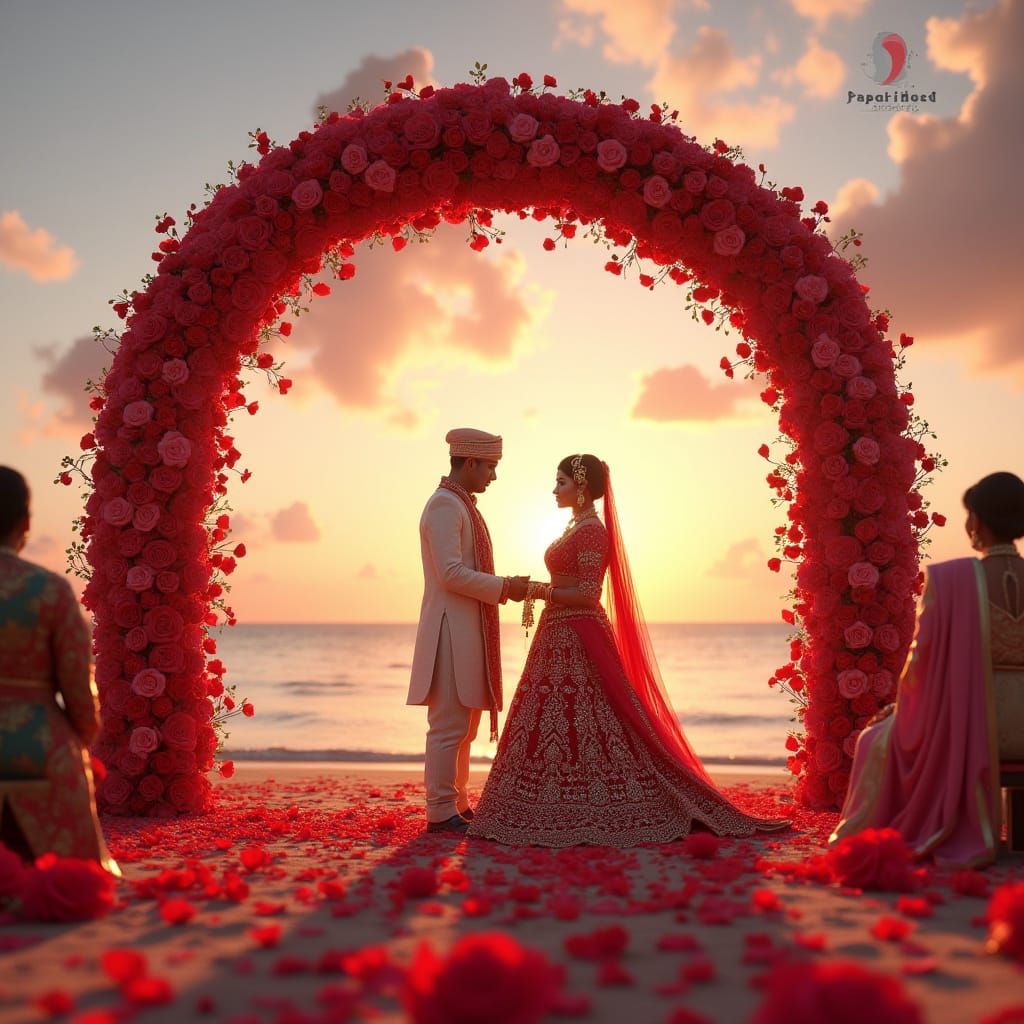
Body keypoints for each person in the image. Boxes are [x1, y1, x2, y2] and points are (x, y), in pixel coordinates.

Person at [468, 454, 787, 847]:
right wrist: (542, 593)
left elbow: (588, 594)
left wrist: (537, 591)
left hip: (578, 634)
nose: (554, 490)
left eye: (561, 482)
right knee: (559, 720)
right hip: (558, 633)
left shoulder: (591, 531)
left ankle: (588, 802)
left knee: (593, 721)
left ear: (582, 487)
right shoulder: (577, 526)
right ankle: (549, 802)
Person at [831, 471, 1024, 865]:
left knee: (874, 739)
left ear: (977, 521)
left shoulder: (952, 580)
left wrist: (902, 708)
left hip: (975, 723)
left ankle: (941, 826)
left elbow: (921, 663)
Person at [407, 430, 529, 835]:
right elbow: (451, 573)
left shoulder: (460, 504)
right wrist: (505, 587)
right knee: (448, 726)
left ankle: (456, 803)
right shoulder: (445, 504)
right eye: (490, 467)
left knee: (465, 728)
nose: (493, 476)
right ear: (469, 462)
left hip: (465, 630)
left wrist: (504, 587)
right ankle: (440, 811)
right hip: (449, 631)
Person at [0, 467, 119, 873]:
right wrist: (80, 742)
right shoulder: (49, 590)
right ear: (25, 523)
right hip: (37, 748)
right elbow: (80, 695)